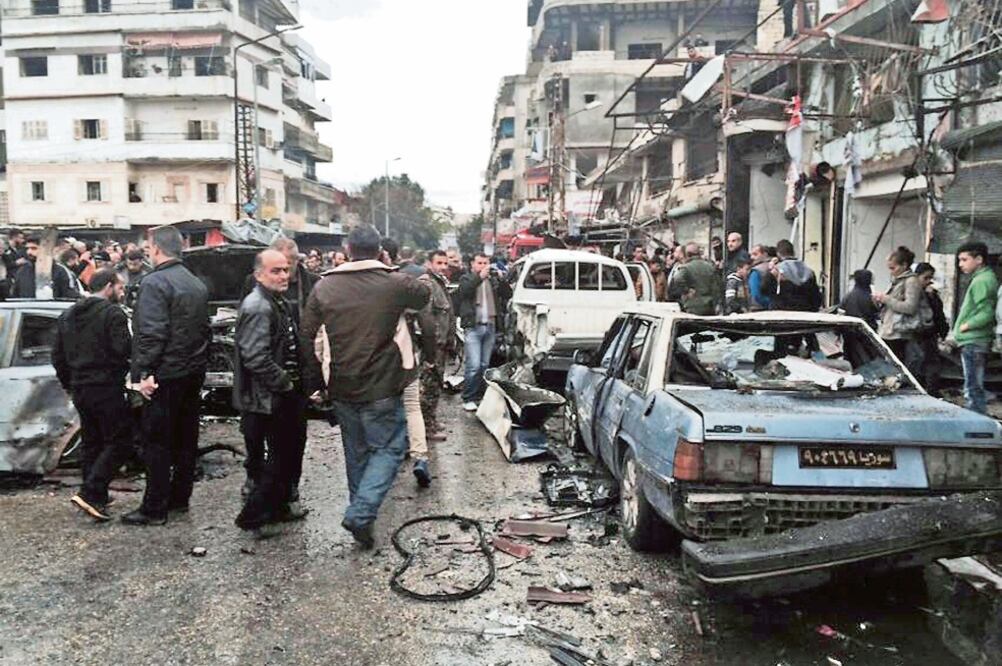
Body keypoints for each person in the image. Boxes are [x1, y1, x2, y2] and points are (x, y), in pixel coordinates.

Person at [300, 224, 430, 548]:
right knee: (389, 448)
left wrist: (315, 382)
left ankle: (363, 517)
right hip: (383, 386)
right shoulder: (393, 283)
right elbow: (424, 293)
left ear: (346, 249)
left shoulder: (323, 287)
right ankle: (361, 513)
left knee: (356, 454)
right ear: (380, 251)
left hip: (341, 385)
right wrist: (389, 265)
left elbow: (306, 334)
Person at [122, 226, 210, 526]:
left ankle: (154, 506)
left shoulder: (154, 283)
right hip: (192, 372)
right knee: (186, 438)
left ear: (156, 249)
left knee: (156, 441)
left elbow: (151, 332)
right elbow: (203, 331)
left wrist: (144, 372)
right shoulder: (196, 283)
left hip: (164, 374)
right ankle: (179, 498)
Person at [234, 250, 312, 531]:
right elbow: (255, 357)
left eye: (285, 270)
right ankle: (254, 514)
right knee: (281, 456)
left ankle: (274, 509)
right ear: (258, 275)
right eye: (275, 271)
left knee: (287, 453)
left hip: (278, 395)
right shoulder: (258, 306)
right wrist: (285, 383)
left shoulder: (274, 301)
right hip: (271, 396)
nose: (283, 276)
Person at [52, 269, 132, 521]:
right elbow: (122, 350)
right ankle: (91, 491)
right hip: (106, 386)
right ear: (108, 286)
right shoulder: (112, 314)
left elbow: (57, 356)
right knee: (120, 441)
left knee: (92, 441)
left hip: (80, 388)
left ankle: (96, 497)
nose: (122, 292)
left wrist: (70, 383)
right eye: (120, 287)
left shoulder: (68, 315)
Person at [457, 253, 509, 411]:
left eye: (486, 263)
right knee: (473, 365)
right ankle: (468, 397)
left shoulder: (492, 281)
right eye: (479, 263)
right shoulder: (467, 278)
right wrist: (479, 277)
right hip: (473, 326)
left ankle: (479, 396)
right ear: (472, 264)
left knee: (484, 365)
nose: (483, 266)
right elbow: (464, 291)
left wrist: (501, 280)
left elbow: (507, 294)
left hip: (490, 326)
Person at [952, 242, 998, 414]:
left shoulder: (983, 280)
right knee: (973, 384)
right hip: (974, 339)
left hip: (974, 340)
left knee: (973, 386)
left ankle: (977, 420)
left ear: (979, 259)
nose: (960, 264)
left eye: (964, 259)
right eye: (959, 260)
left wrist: (966, 326)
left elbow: (986, 312)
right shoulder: (984, 278)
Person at [417, 250, 456, 454]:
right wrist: (429, 349)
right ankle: (425, 426)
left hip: (441, 344)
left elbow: (447, 315)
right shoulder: (427, 284)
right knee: (428, 387)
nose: (442, 267)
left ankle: (431, 420)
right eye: (438, 263)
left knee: (436, 385)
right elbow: (425, 319)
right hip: (431, 346)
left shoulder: (440, 283)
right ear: (429, 263)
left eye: (445, 263)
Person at [874, 246, 922, 373]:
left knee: (896, 369)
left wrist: (886, 299)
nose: (891, 272)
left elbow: (910, 307)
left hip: (900, 333)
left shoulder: (911, 281)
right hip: (890, 330)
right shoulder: (898, 281)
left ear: (904, 265)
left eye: (893, 268)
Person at [914, 263, 948, 395]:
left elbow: (938, 314)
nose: (928, 282)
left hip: (929, 334)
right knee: (923, 364)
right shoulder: (915, 294)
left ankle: (931, 391)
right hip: (919, 334)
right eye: (925, 278)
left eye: (930, 278)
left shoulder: (931, 295)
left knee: (930, 364)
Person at [13, 236, 81, 299]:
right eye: (27, 249)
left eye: (34, 248)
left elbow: (70, 297)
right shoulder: (22, 272)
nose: (29, 252)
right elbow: (15, 296)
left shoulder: (61, 271)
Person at [771, 239, 821, 312]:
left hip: (782, 312)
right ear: (793, 252)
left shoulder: (776, 270)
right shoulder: (808, 271)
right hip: (806, 312)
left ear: (778, 254)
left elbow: (764, 288)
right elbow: (816, 296)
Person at [673, 243, 720, 315]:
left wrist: (686, 290)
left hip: (692, 305)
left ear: (687, 254)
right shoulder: (710, 267)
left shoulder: (686, 268)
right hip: (709, 305)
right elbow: (716, 287)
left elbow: (677, 278)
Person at [747, 244, 774, 310]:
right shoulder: (776, 267)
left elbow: (756, 295)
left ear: (764, 254)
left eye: (755, 254)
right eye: (751, 255)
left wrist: (769, 303)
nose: (752, 257)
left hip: (759, 307)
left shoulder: (756, 271)